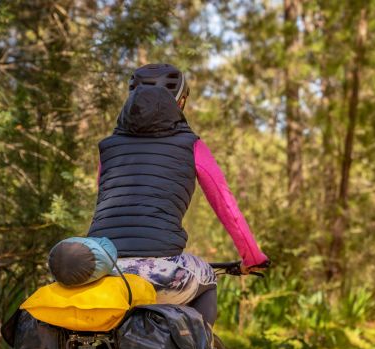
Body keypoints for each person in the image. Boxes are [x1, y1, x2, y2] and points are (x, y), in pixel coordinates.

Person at [86, 62, 269, 326]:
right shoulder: (192, 145)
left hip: (101, 266)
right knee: (206, 279)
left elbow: (104, 206)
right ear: (180, 102)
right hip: (160, 270)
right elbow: (226, 205)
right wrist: (252, 257)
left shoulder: (109, 147)